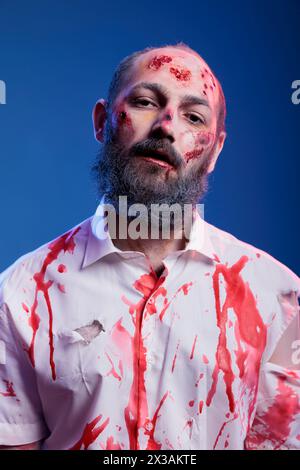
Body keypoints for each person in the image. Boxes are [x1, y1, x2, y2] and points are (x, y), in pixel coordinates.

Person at [0, 42, 299, 451]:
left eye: (194, 116)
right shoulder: (21, 296)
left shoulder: (279, 299)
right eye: (144, 102)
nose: (166, 125)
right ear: (103, 120)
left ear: (215, 151)